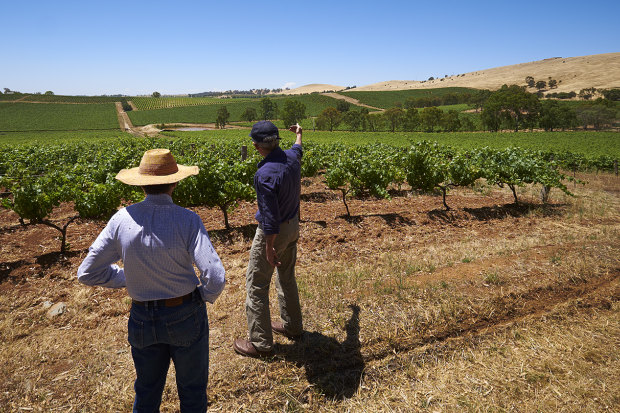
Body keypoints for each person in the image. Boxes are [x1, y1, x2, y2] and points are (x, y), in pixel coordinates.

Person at [77, 148, 226, 412]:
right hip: (185, 312)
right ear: (176, 182)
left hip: (142, 317)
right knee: (192, 391)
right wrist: (204, 295)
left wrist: (127, 277)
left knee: (146, 390)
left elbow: (87, 272)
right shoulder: (188, 219)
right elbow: (214, 274)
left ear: (142, 184)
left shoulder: (121, 219)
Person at [233, 120, 304, 358]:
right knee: (286, 277)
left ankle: (261, 344)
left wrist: (268, 247)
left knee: (257, 284)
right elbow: (298, 148)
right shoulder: (292, 159)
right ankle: (293, 326)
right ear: (276, 141)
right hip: (294, 226)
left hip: (274, 232)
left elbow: (270, 218)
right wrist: (299, 134)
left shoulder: (264, 174)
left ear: (256, 146)